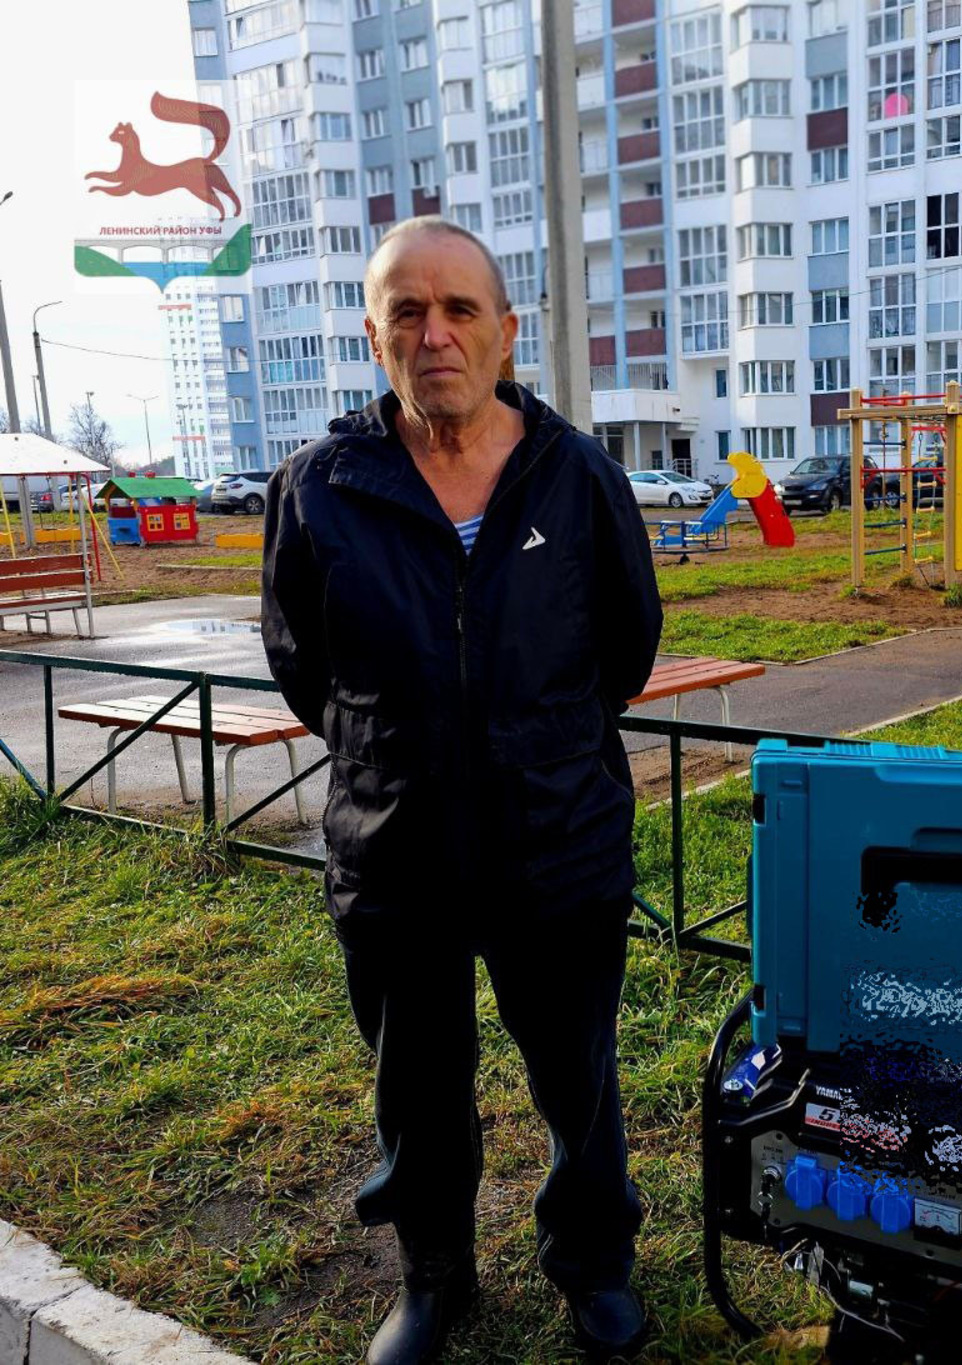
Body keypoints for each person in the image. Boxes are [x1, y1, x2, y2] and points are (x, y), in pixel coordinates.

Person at [261, 216, 663, 1364]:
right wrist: (404, 753)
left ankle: (593, 1263)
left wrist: (532, 750)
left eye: (459, 309)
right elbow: (304, 667)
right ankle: (433, 1278)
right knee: (418, 1091)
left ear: (504, 332)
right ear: (374, 335)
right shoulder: (320, 489)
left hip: (558, 844)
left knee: (578, 1082)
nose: (433, 333)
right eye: (407, 311)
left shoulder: (577, 477)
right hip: (398, 853)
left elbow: (625, 651)